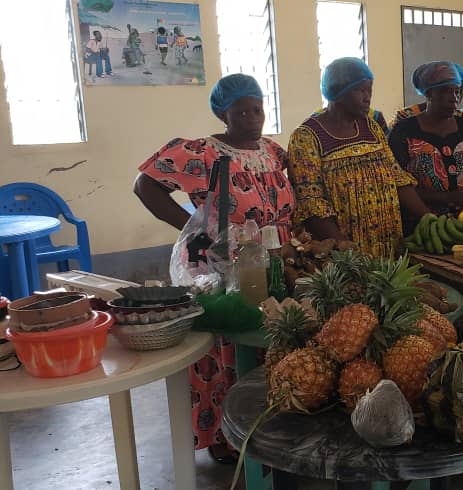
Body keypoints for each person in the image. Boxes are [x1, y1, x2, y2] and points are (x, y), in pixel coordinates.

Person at [133, 74, 295, 463]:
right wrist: (195, 231)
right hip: (218, 264)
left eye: (257, 108)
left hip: (269, 261)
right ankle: (224, 436)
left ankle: (264, 425)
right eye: (241, 110)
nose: (252, 117)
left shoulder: (273, 152)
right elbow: (145, 185)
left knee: (264, 337)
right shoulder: (203, 153)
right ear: (224, 113)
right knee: (224, 345)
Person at [287, 58, 430, 258]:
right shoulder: (306, 137)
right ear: (338, 91)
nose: (367, 97)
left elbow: (396, 176)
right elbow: (311, 202)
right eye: (360, 91)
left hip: (387, 241)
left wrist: (429, 217)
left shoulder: (371, 127)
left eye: (369, 90)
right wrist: (343, 246)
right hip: (342, 251)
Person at [387, 61, 463, 230]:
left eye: (457, 91)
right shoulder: (404, 130)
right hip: (423, 225)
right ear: (429, 93)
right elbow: (397, 182)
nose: (454, 97)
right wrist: (447, 198)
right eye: (446, 91)